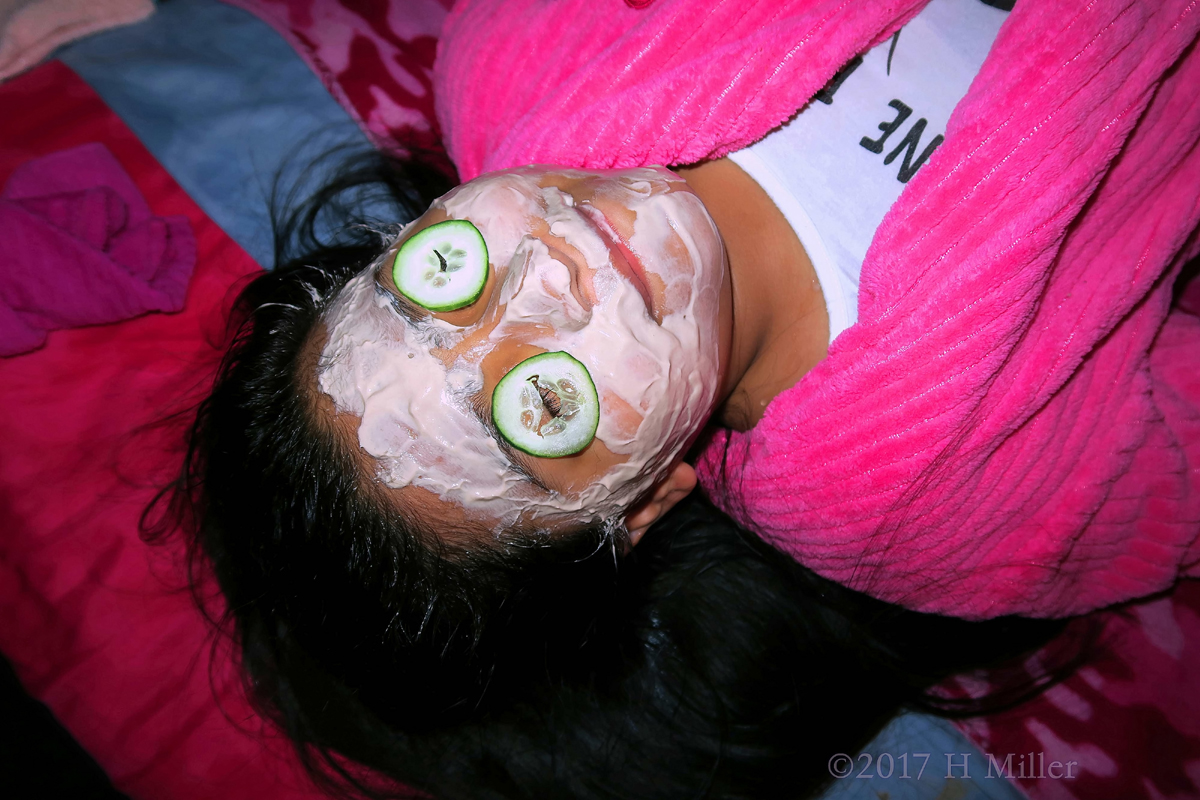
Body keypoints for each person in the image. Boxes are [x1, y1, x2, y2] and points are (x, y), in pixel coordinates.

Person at [166, 0, 1199, 795]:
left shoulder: (522, 53)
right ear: (648, 500)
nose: (545, 277)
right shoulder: (926, 483)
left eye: (439, 278)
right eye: (538, 405)